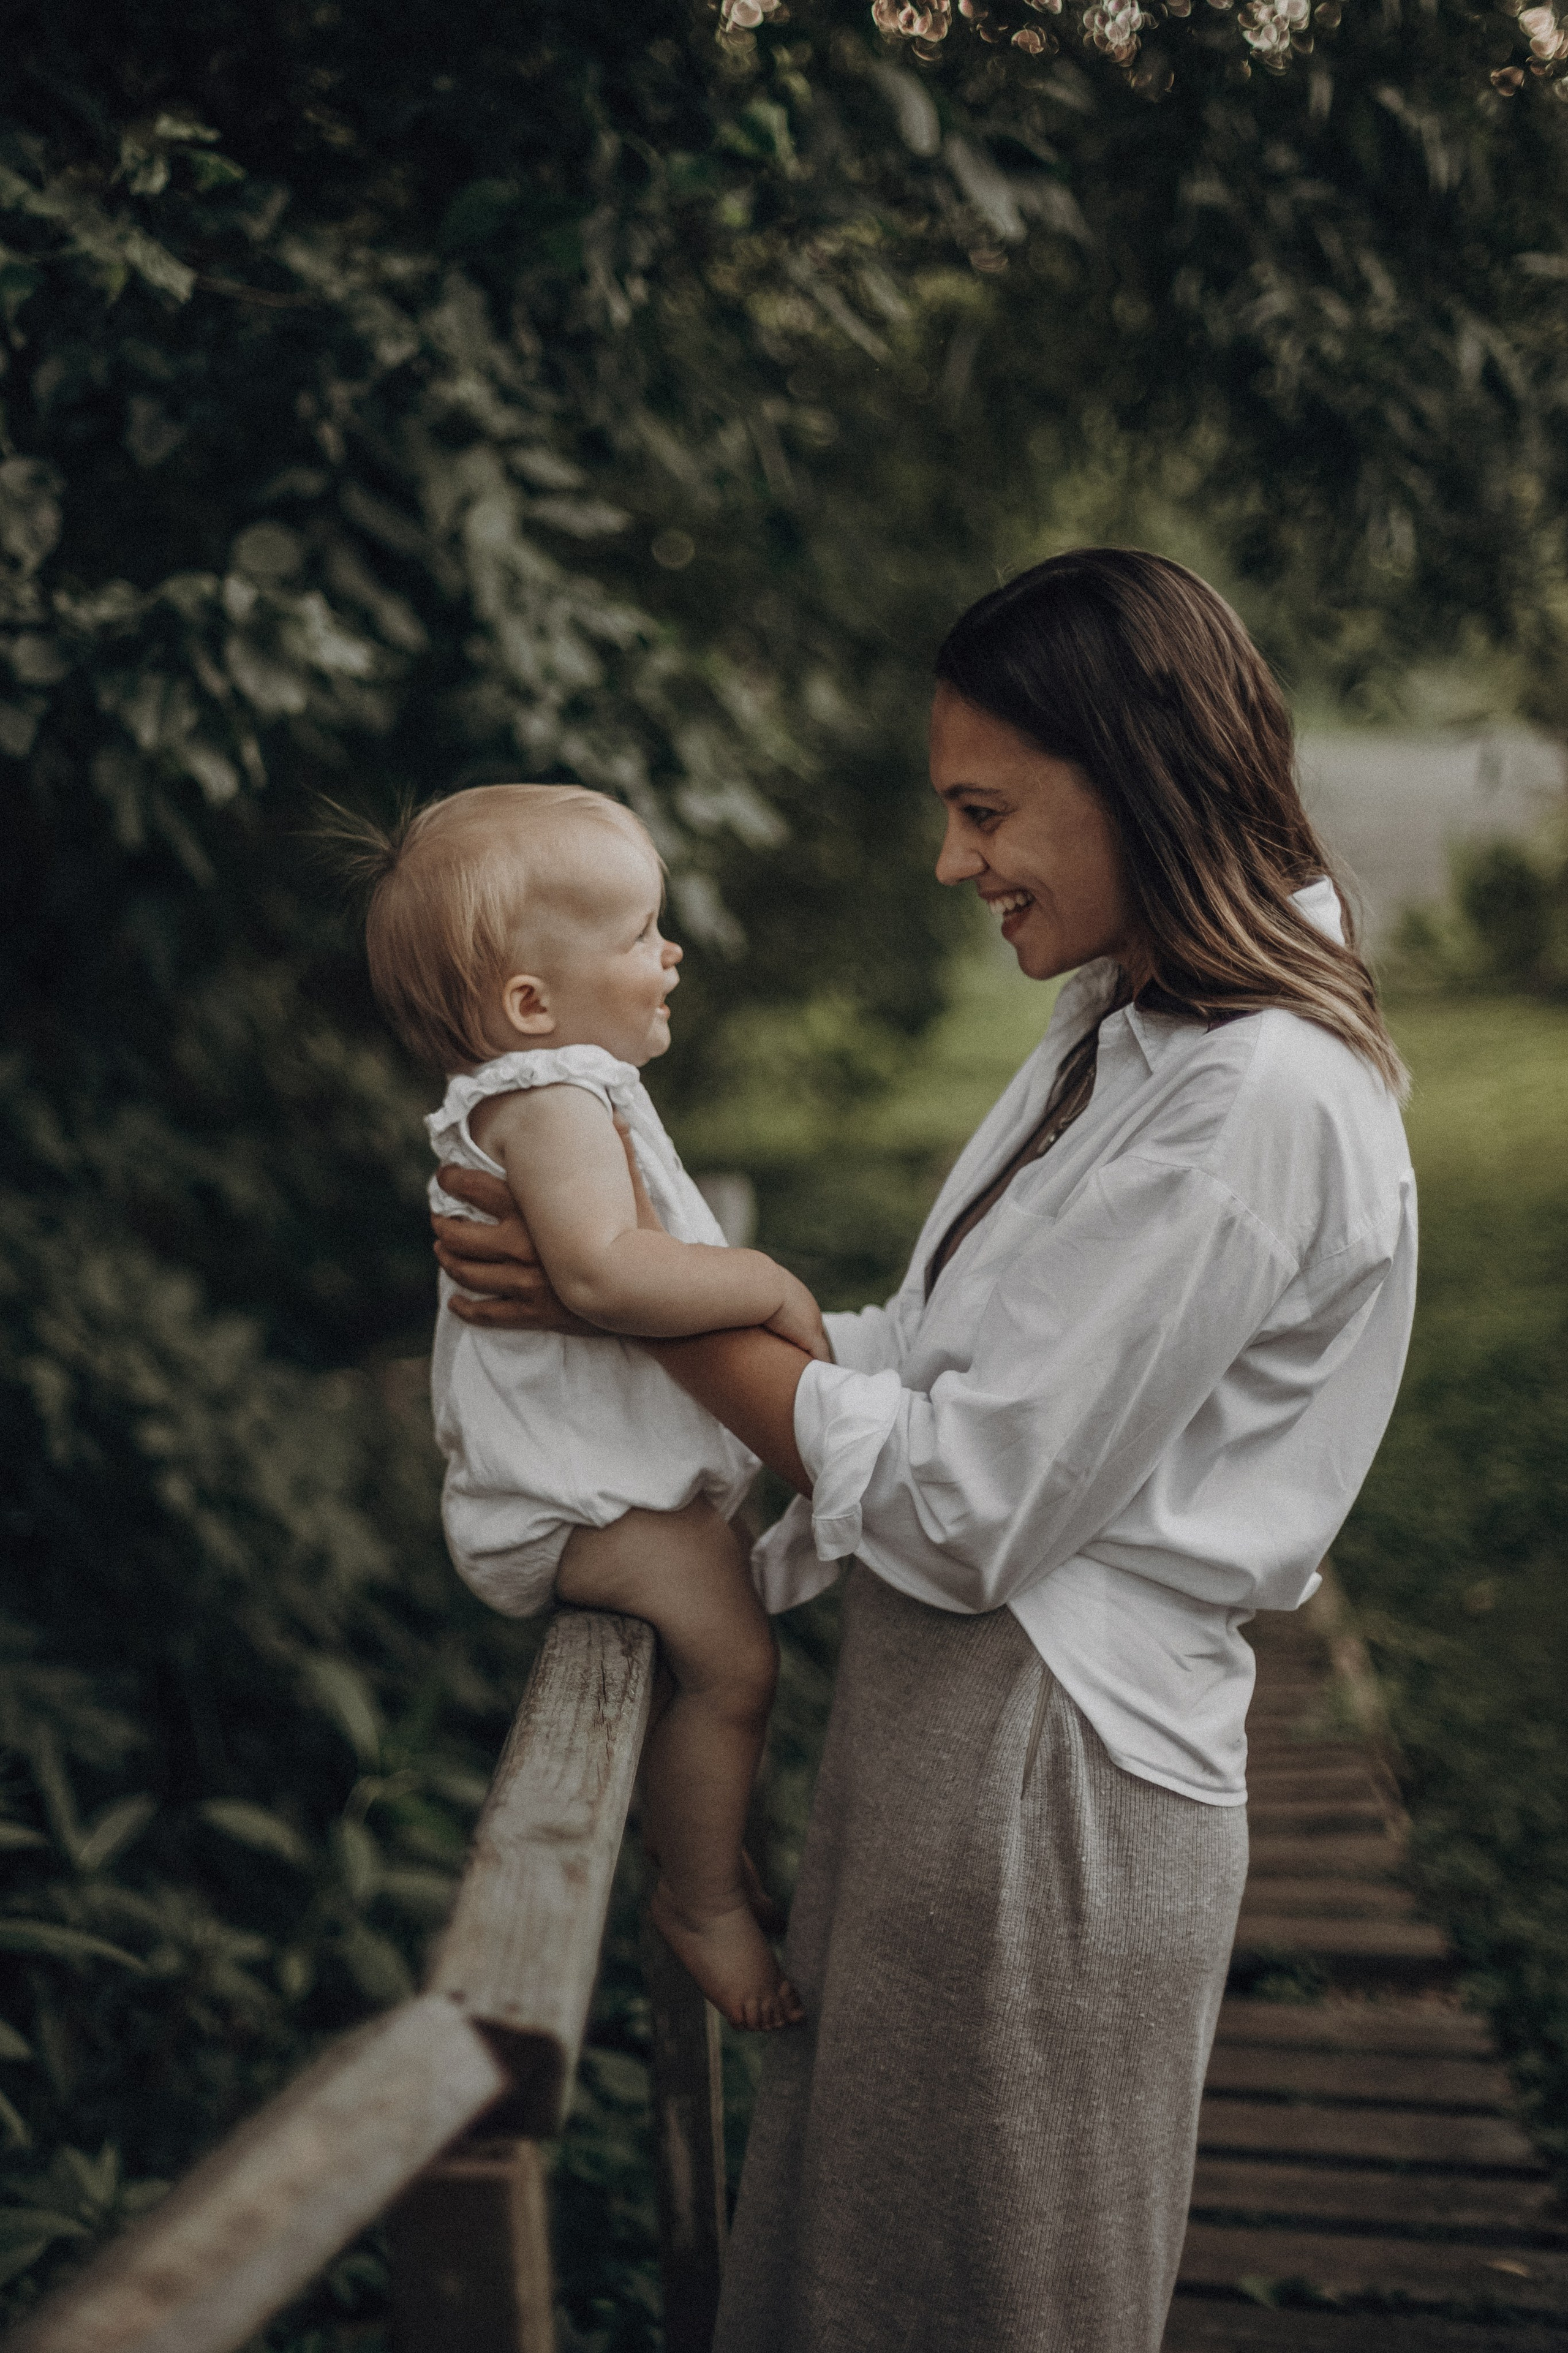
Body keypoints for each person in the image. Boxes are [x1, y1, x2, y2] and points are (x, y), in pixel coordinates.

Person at [432, 550, 1419, 2353]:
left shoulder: (1253, 1100)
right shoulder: (1124, 1029)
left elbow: (966, 1503)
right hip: (961, 1733)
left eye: (986, 811)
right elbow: (943, 1369)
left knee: (985, 2294)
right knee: (863, 2278)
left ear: (1137, 779)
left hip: (1053, 1774)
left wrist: (628, 1294)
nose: (953, 861)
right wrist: (664, 1313)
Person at [347, 782, 821, 2030]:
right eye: (637, 933)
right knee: (734, 1665)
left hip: (581, 1480)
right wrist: (764, 1282)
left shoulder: (560, 1082)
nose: (667, 954)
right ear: (528, 1001)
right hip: (571, 1498)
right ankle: (700, 1897)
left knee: (714, 1663)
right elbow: (603, 1271)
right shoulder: (548, 1092)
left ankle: (703, 1851)